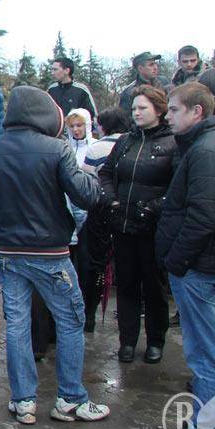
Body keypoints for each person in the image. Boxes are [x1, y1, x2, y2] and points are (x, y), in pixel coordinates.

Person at [0, 85, 110, 425]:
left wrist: (2, 227)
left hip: (9, 252)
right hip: (51, 253)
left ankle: (23, 401)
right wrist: (97, 180)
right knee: (70, 320)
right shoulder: (57, 149)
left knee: (18, 325)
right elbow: (86, 196)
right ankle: (70, 399)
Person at [153, 82, 215, 429]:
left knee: (205, 357)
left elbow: (204, 216)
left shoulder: (207, 151)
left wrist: (176, 261)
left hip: (198, 268)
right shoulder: (209, 144)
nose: (167, 116)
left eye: (173, 109)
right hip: (204, 267)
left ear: (196, 111)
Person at [99, 86, 176, 364]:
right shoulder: (125, 141)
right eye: (133, 109)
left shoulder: (172, 143)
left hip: (153, 228)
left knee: (154, 287)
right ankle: (127, 340)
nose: (137, 113)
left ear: (159, 109)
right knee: (127, 285)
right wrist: (111, 199)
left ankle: (155, 340)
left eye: (142, 108)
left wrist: (155, 207)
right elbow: (106, 172)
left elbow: (178, 185)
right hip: (123, 225)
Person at [80, 108, 132, 331]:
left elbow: (87, 183)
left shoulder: (97, 148)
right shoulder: (134, 144)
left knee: (96, 266)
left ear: (103, 126)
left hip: (100, 213)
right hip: (129, 212)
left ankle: (90, 313)